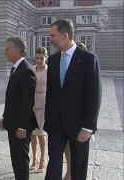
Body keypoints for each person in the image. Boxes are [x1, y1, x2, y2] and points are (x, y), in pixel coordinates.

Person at [44, 19, 102, 180]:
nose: (50, 39)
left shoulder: (88, 59)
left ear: (65, 35)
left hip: (79, 126)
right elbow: (51, 92)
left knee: (78, 166)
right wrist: (47, 119)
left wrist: (88, 127)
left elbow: (94, 95)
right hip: (55, 123)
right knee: (54, 162)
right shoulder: (53, 60)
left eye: (53, 35)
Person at [0, 36, 37, 180]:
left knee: (20, 160)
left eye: (7, 49)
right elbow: (13, 99)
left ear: (18, 51)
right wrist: (5, 117)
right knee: (16, 158)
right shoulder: (16, 69)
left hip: (21, 127)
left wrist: (23, 127)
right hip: (13, 123)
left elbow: (28, 102)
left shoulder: (26, 70)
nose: (5, 52)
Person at [63, 41, 88, 180]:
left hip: (81, 119)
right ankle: (69, 170)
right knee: (67, 145)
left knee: (80, 151)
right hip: (68, 117)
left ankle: (75, 172)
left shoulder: (88, 66)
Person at [30, 47, 48, 173]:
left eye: (41, 58)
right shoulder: (31, 69)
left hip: (44, 103)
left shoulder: (50, 71)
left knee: (41, 133)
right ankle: (34, 158)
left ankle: (43, 159)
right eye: (37, 58)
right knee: (32, 133)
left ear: (46, 58)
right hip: (31, 102)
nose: (39, 61)